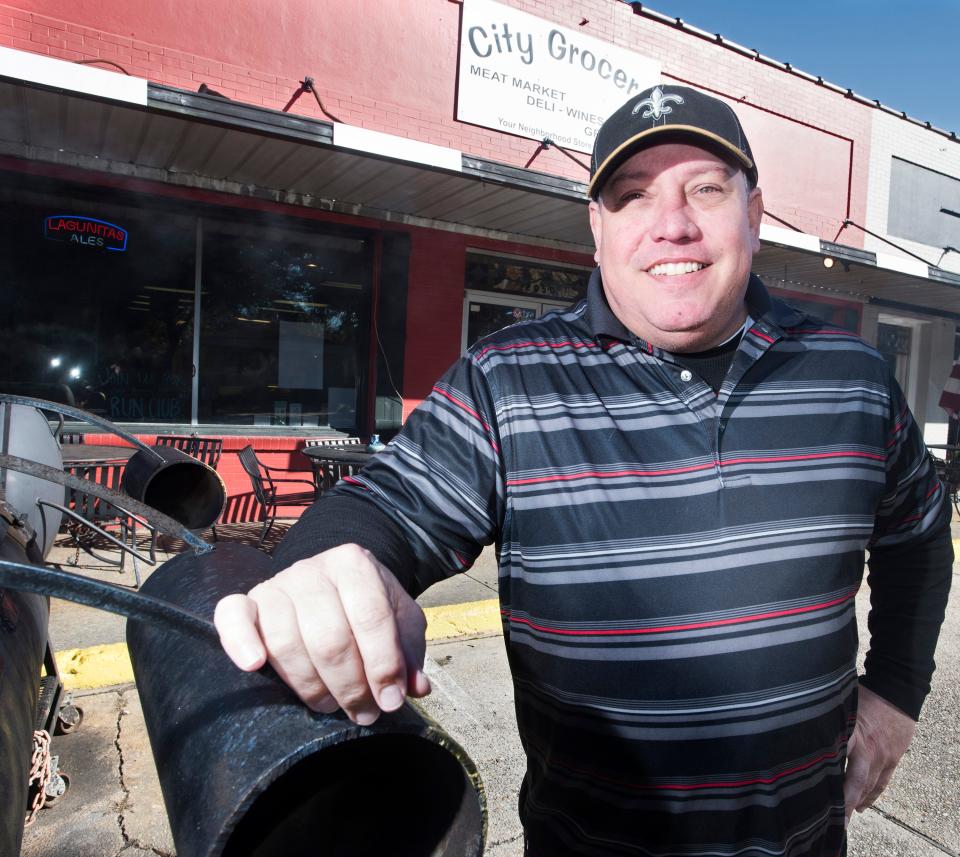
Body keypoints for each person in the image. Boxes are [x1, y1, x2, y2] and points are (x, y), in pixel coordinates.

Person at [214, 85, 953, 856]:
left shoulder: (853, 377)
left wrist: (896, 692)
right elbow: (391, 505)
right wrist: (325, 566)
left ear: (755, 216)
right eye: (633, 198)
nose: (672, 224)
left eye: (705, 188)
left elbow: (921, 538)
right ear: (597, 230)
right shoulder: (510, 381)